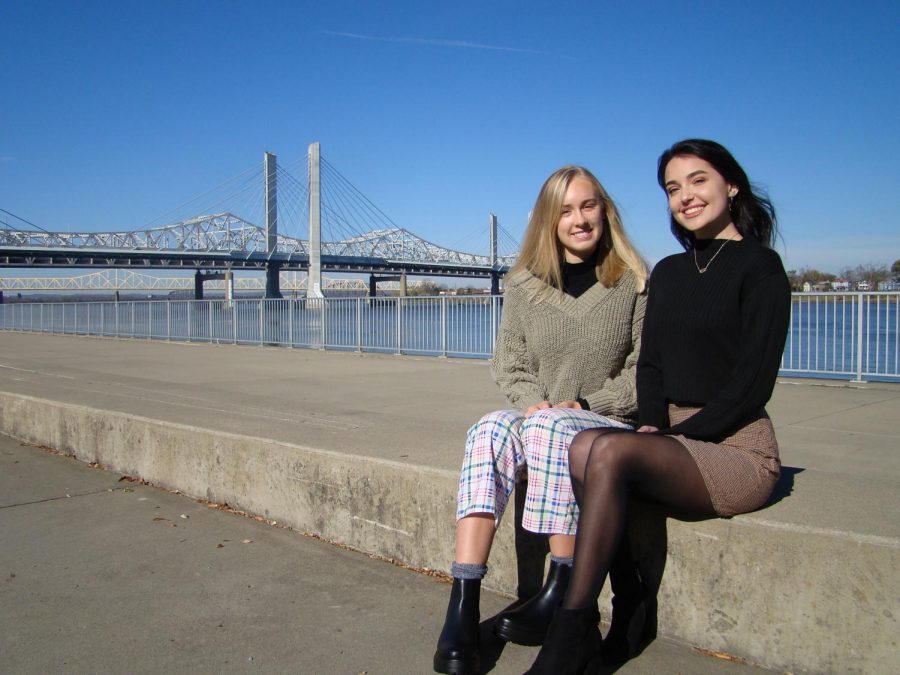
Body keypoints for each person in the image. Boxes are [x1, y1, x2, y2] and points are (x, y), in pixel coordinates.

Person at [525, 139, 792, 673]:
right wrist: (650, 424)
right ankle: (630, 607)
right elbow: (650, 368)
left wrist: (671, 438)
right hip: (667, 441)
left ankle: (572, 630)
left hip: (735, 446)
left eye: (698, 180)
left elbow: (752, 385)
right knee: (583, 446)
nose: (685, 196)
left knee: (610, 454)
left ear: (730, 184)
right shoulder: (668, 271)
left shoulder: (762, 268)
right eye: (673, 188)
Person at [433, 166, 648, 675]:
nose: (579, 220)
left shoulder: (635, 282)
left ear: (605, 210)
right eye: (566, 210)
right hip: (545, 420)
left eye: (588, 206)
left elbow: (645, 373)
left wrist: (581, 403)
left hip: (605, 425)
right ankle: (463, 602)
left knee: (549, 427)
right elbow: (510, 364)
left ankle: (563, 587)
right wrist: (536, 404)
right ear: (549, 221)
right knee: (488, 427)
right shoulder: (523, 285)